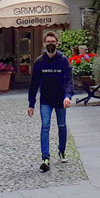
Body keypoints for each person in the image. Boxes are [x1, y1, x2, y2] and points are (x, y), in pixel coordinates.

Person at [27, 31, 73, 172]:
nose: (50, 44)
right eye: (48, 42)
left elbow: (68, 81)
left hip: (60, 99)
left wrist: (68, 96)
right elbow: (34, 84)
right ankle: (45, 157)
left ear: (57, 43)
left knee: (61, 125)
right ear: (44, 44)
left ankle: (62, 151)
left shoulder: (63, 60)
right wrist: (31, 104)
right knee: (45, 125)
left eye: (53, 42)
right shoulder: (39, 62)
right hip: (45, 99)